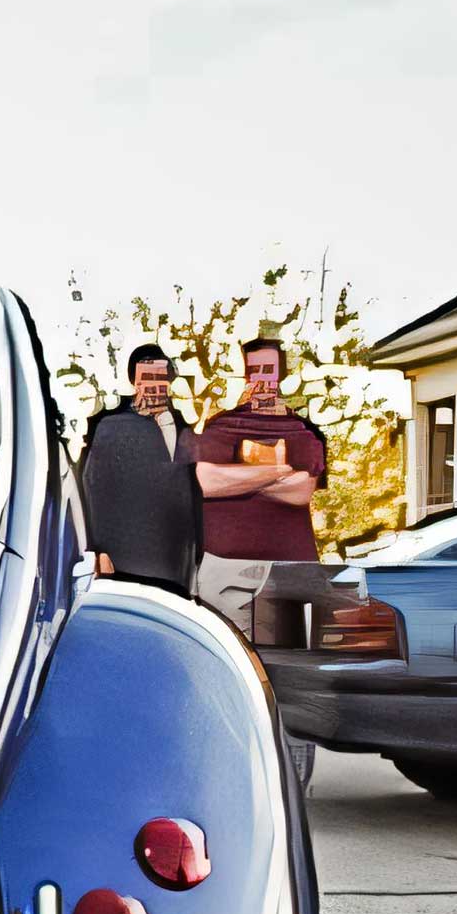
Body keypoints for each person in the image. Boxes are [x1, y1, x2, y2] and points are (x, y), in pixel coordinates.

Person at [195, 336, 326, 786]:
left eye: (269, 371)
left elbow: (302, 491)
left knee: (283, 678)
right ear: (245, 374)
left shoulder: (304, 433)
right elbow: (207, 481)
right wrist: (275, 471)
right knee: (222, 668)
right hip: (224, 567)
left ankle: (289, 782)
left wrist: (244, 479)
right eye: (254, 371)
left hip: (282, 573)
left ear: (282, 374)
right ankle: (224, 776)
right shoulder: (220, 428)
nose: (262, 380)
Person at [79, 343, 199, 596]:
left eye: (160, 376)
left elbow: (192, 490)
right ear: (134, 381)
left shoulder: (185, 425)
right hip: (124, 554)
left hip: (174, 557)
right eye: (147, 377)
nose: (154, 384)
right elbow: (93, 488)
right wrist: (97, 548)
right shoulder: (108, 425)